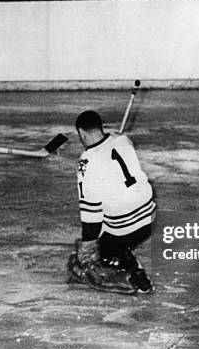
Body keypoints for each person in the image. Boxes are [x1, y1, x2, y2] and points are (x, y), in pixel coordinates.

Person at [67, 110, 156, 294]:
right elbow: (117, 139)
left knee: (100, 253)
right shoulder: (123, 140)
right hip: (150, 220)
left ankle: (131, 271)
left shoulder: (87, 162)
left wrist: (89, 248)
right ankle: (121, 251)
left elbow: (91, 214)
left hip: (125, 229)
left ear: (82, 133)